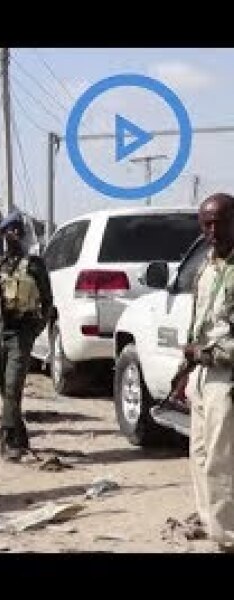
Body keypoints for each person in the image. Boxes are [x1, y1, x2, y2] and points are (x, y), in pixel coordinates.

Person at [181, 193, 234, 553]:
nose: (212, 230)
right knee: (199, 456)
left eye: (219, 222)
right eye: (206, 224)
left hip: (226, 378)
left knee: (221, 462)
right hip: (201, 377)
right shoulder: (206, 266)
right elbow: (198, 322)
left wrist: (205, 354)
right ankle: (211, 524)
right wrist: (185, 368)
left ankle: (227, 537)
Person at [0, 212, 53, 460]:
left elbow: (47, 302)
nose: (13, 235)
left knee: (13, 387)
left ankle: (8, 439)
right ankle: (20, 434)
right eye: (8, 231)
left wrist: (34, 331)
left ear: (23, 234)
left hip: (21, 332)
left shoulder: (34, 265)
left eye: (17, 230)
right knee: (5, 389)